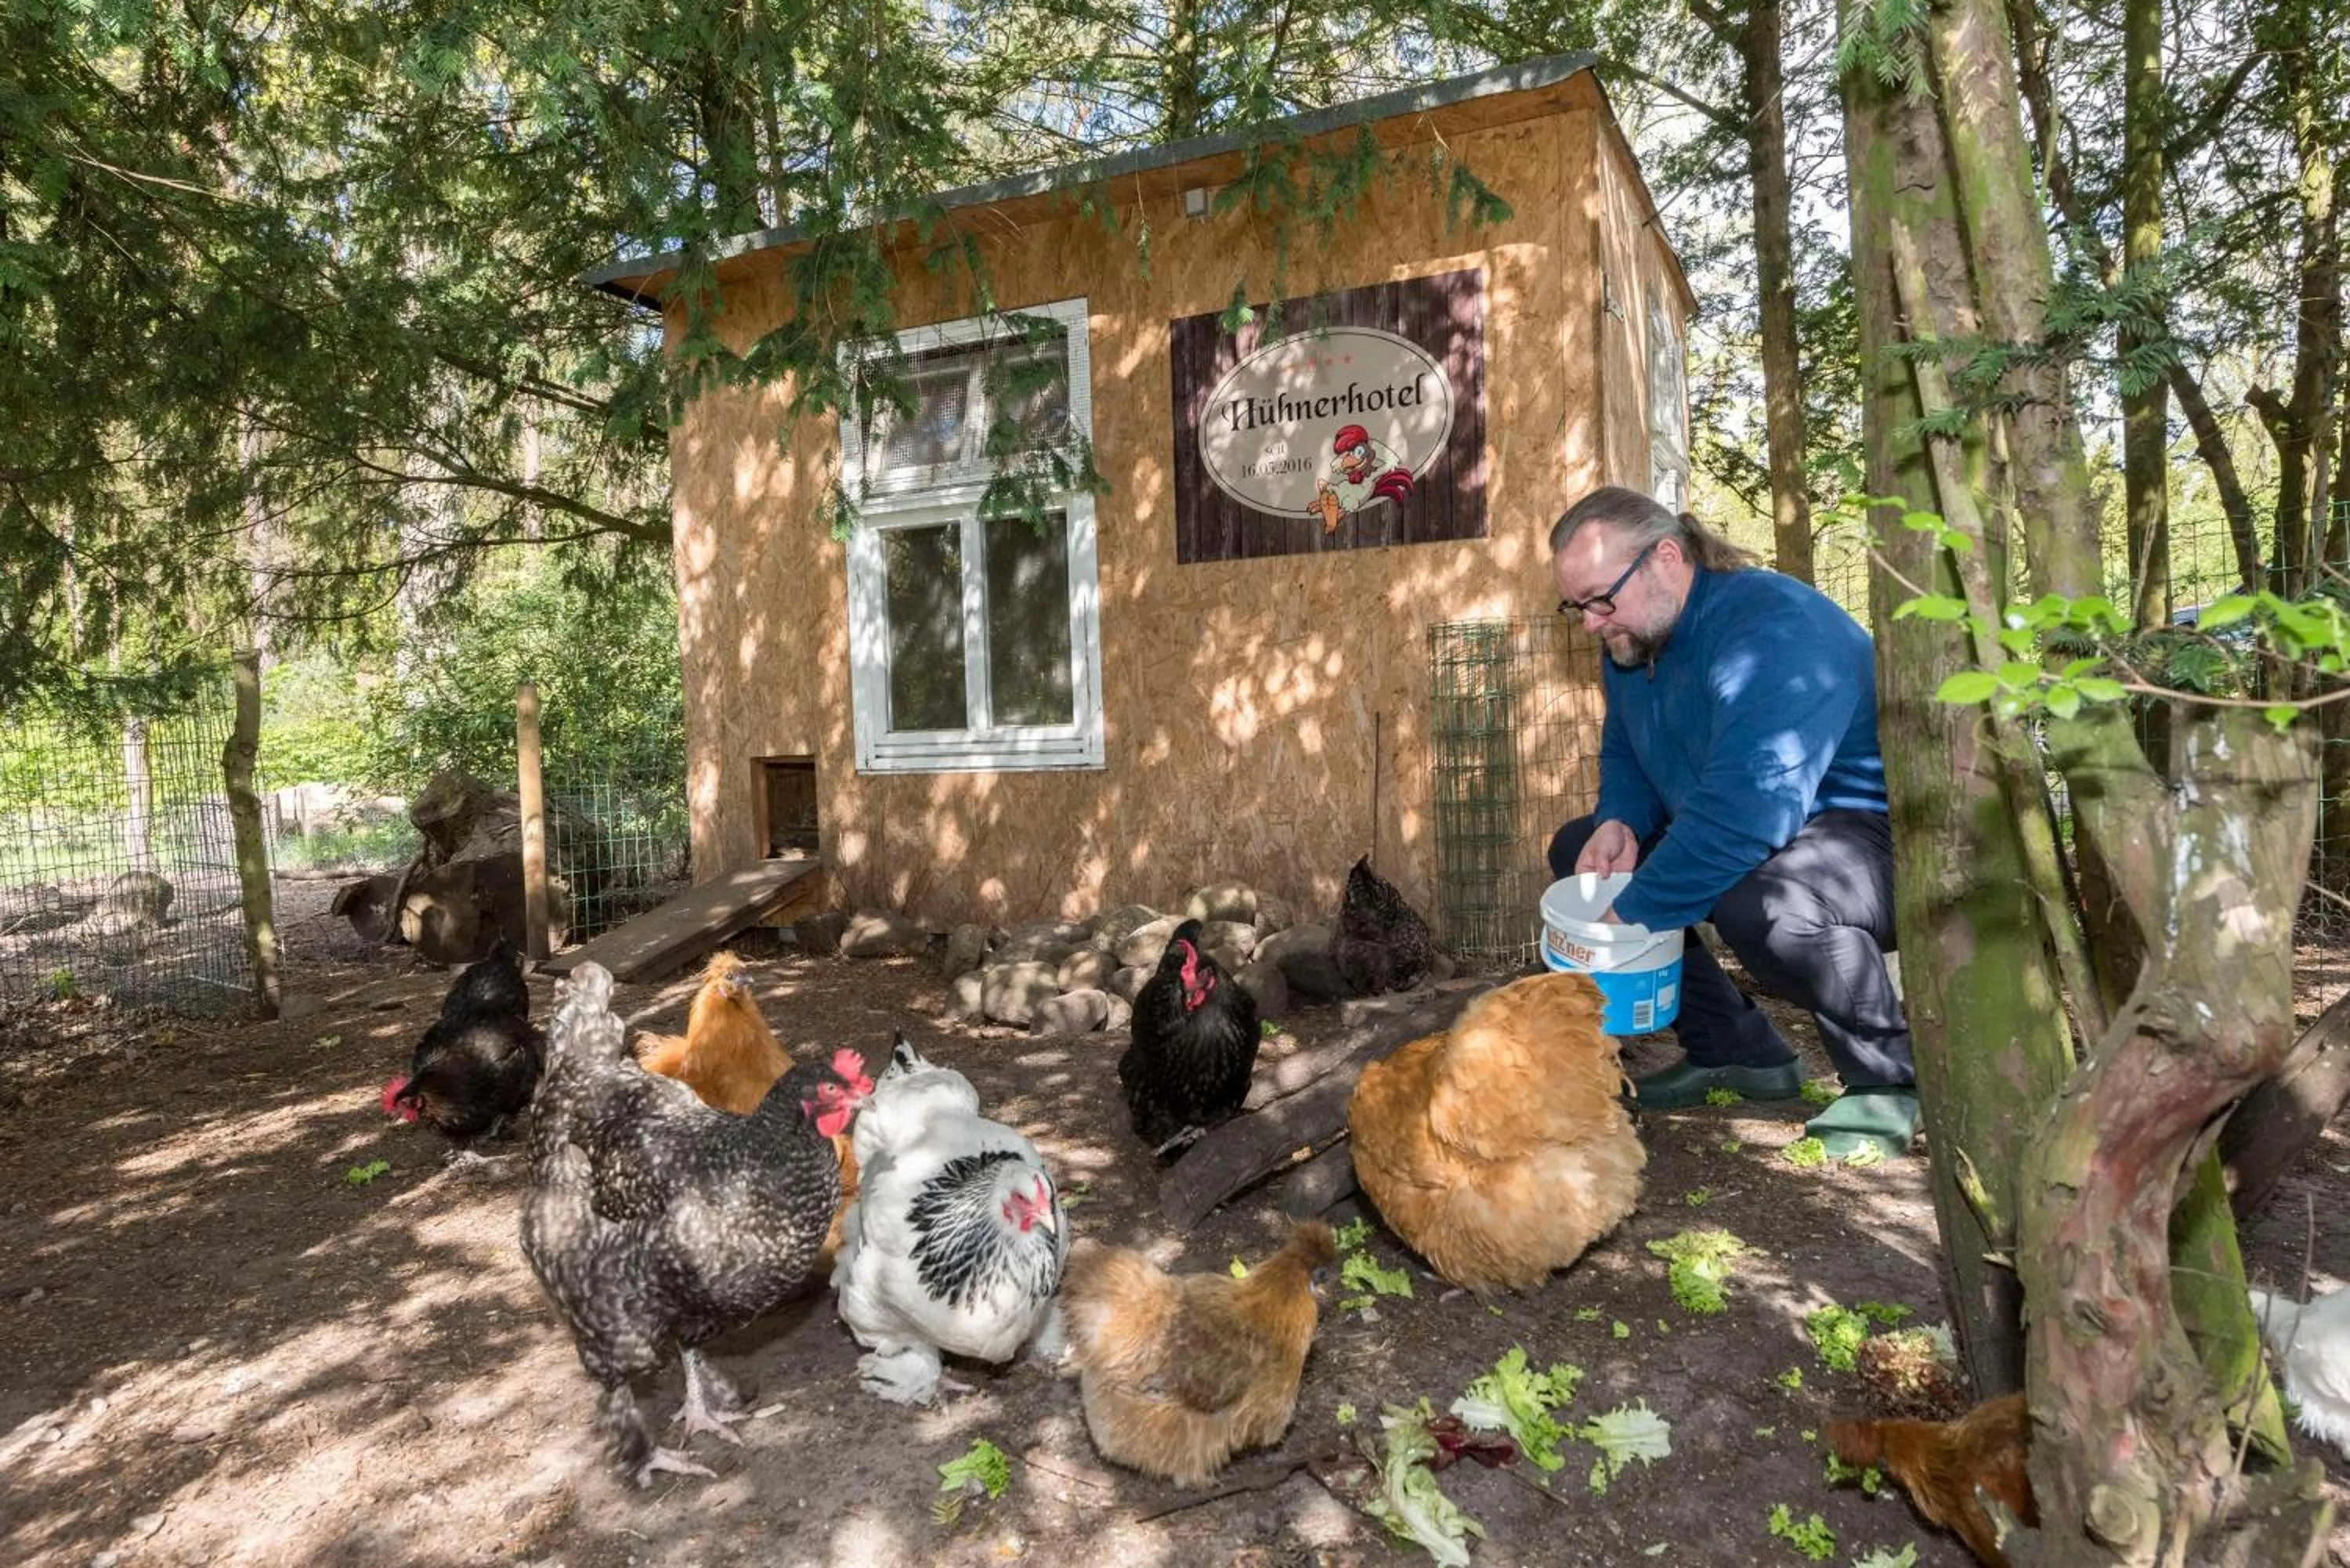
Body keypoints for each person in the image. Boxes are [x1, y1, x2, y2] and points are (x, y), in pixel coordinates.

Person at [1546, 486, 1918, 1158]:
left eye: (1602, 599)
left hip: (1865, 838)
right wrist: (1620, 820)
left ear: (1666, 557)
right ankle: (1739, 1053)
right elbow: (1627, 743)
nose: (1592, 624)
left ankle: (1886, 1081)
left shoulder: (1773, 631)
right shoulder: (1636, 635)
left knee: (1762, 902)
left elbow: (1750, 809)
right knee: (1582, 852)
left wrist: (1635, 913)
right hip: (1760, 827)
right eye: (1577, 607)